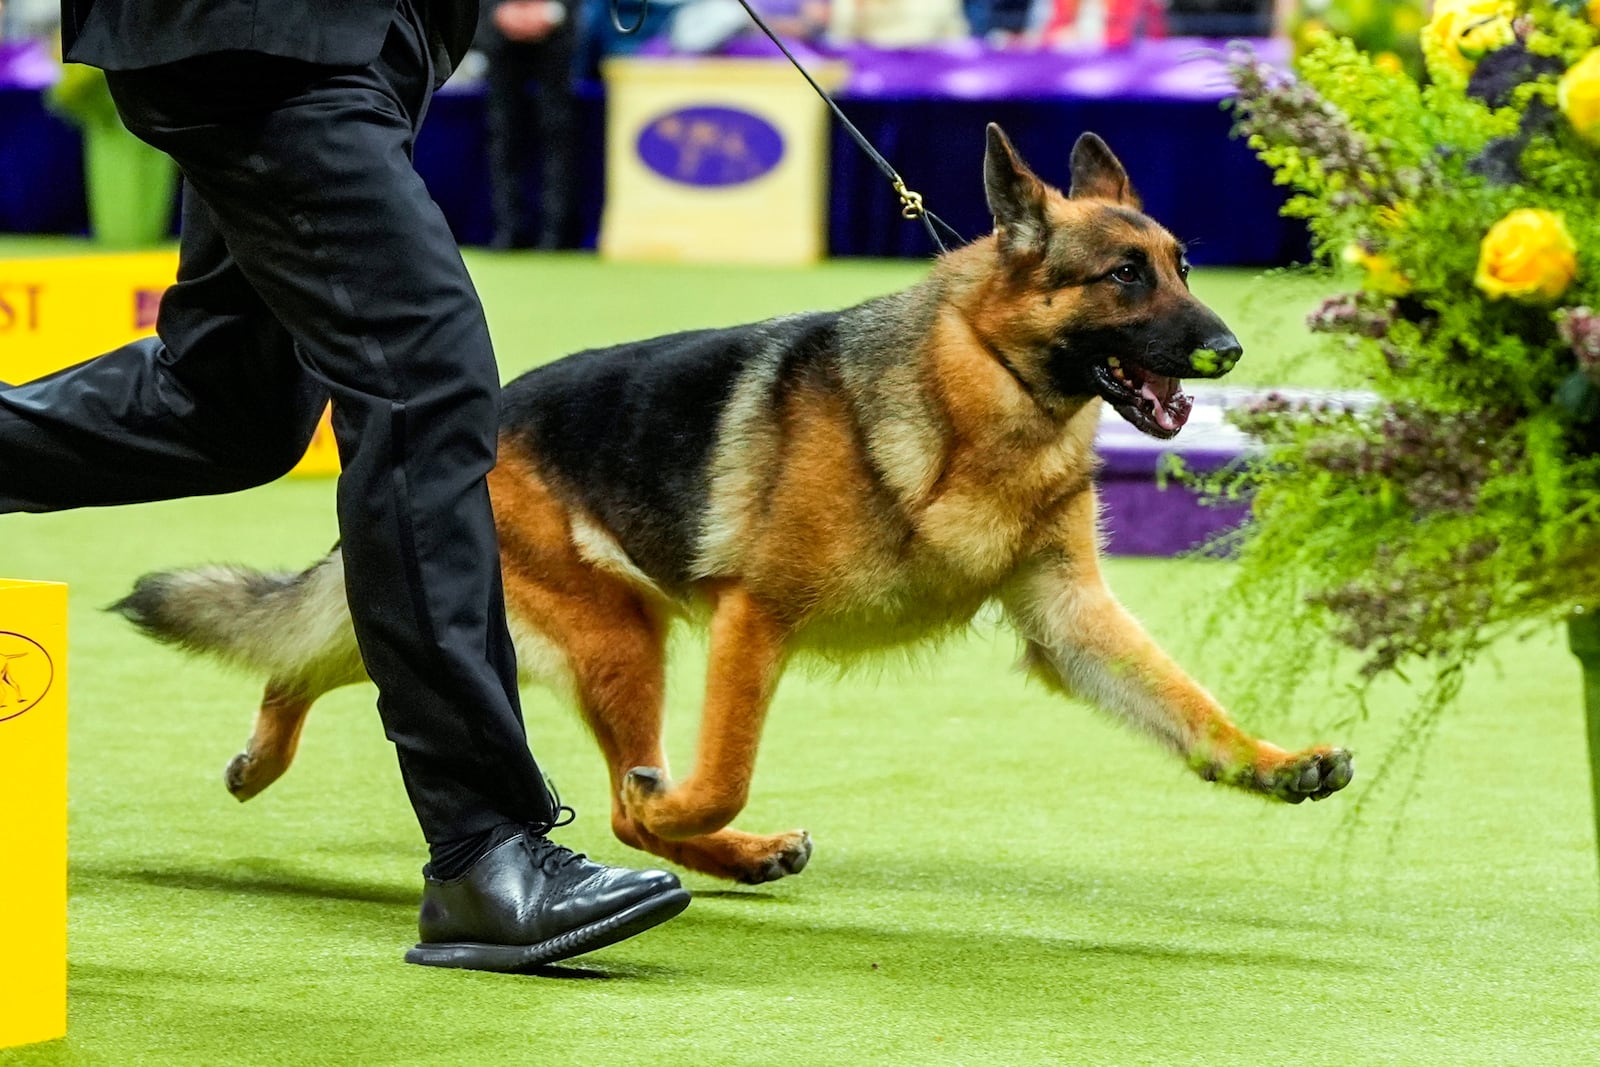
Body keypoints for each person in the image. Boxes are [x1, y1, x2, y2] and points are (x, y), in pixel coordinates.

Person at [4, 0, 690, 973]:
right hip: (271, 35)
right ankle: (484, 847)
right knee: (428, 387)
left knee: (224, 404)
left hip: (340, 43)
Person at [478, 0, 582, 250]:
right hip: (500, 32)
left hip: (555, 32)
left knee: (557, 131)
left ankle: (556, 233)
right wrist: (497, 11)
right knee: (503, 135)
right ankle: (507, 230)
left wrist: (554, 10)